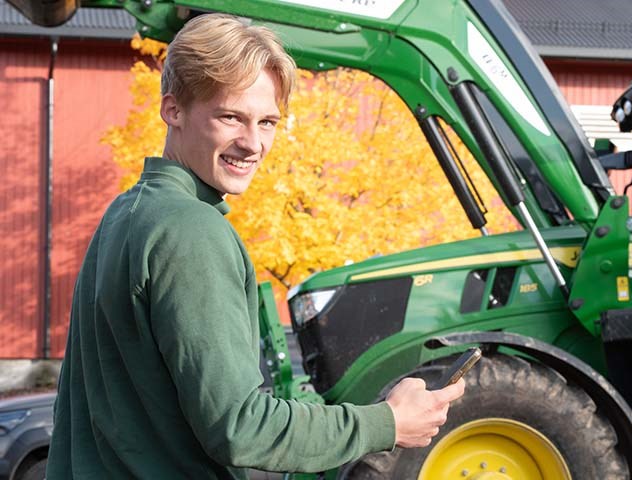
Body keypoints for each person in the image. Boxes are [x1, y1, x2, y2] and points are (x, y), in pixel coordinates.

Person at [46, 13, 465, 479]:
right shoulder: (190, 230)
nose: (252, 144)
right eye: (231, 117)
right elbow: (240, 427)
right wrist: (386, 421)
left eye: (267, 122)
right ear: (173, 110)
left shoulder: (125, 215)